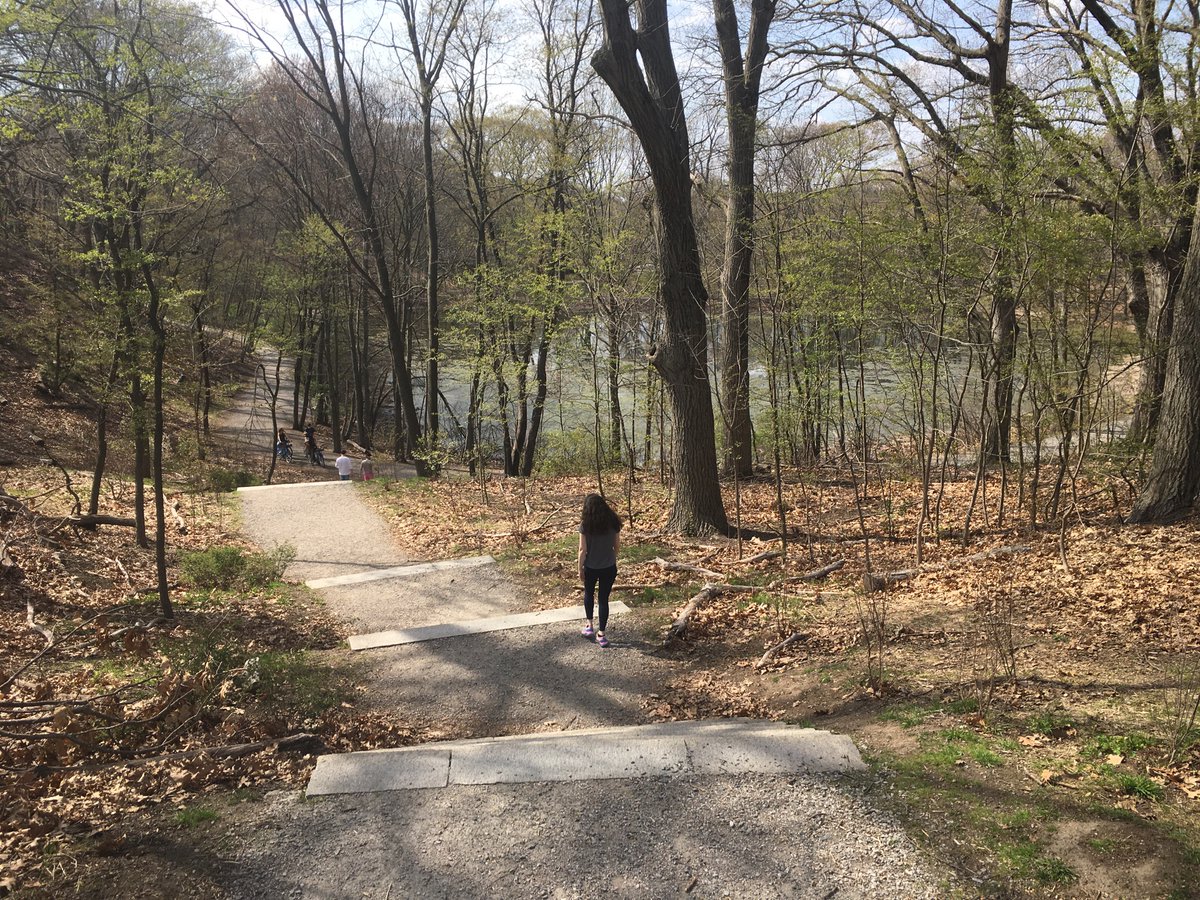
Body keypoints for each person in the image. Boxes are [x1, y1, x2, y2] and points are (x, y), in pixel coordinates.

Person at [578, 493, 622, 648]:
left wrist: (580, 568)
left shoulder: (586, 525)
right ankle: (602, 634)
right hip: (609, 567)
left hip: (591, 566)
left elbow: (583, 549)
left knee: (589, 594)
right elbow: (616, 546)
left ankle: (589, 625)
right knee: (603, 599)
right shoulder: (614, 522)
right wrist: (611, 558)